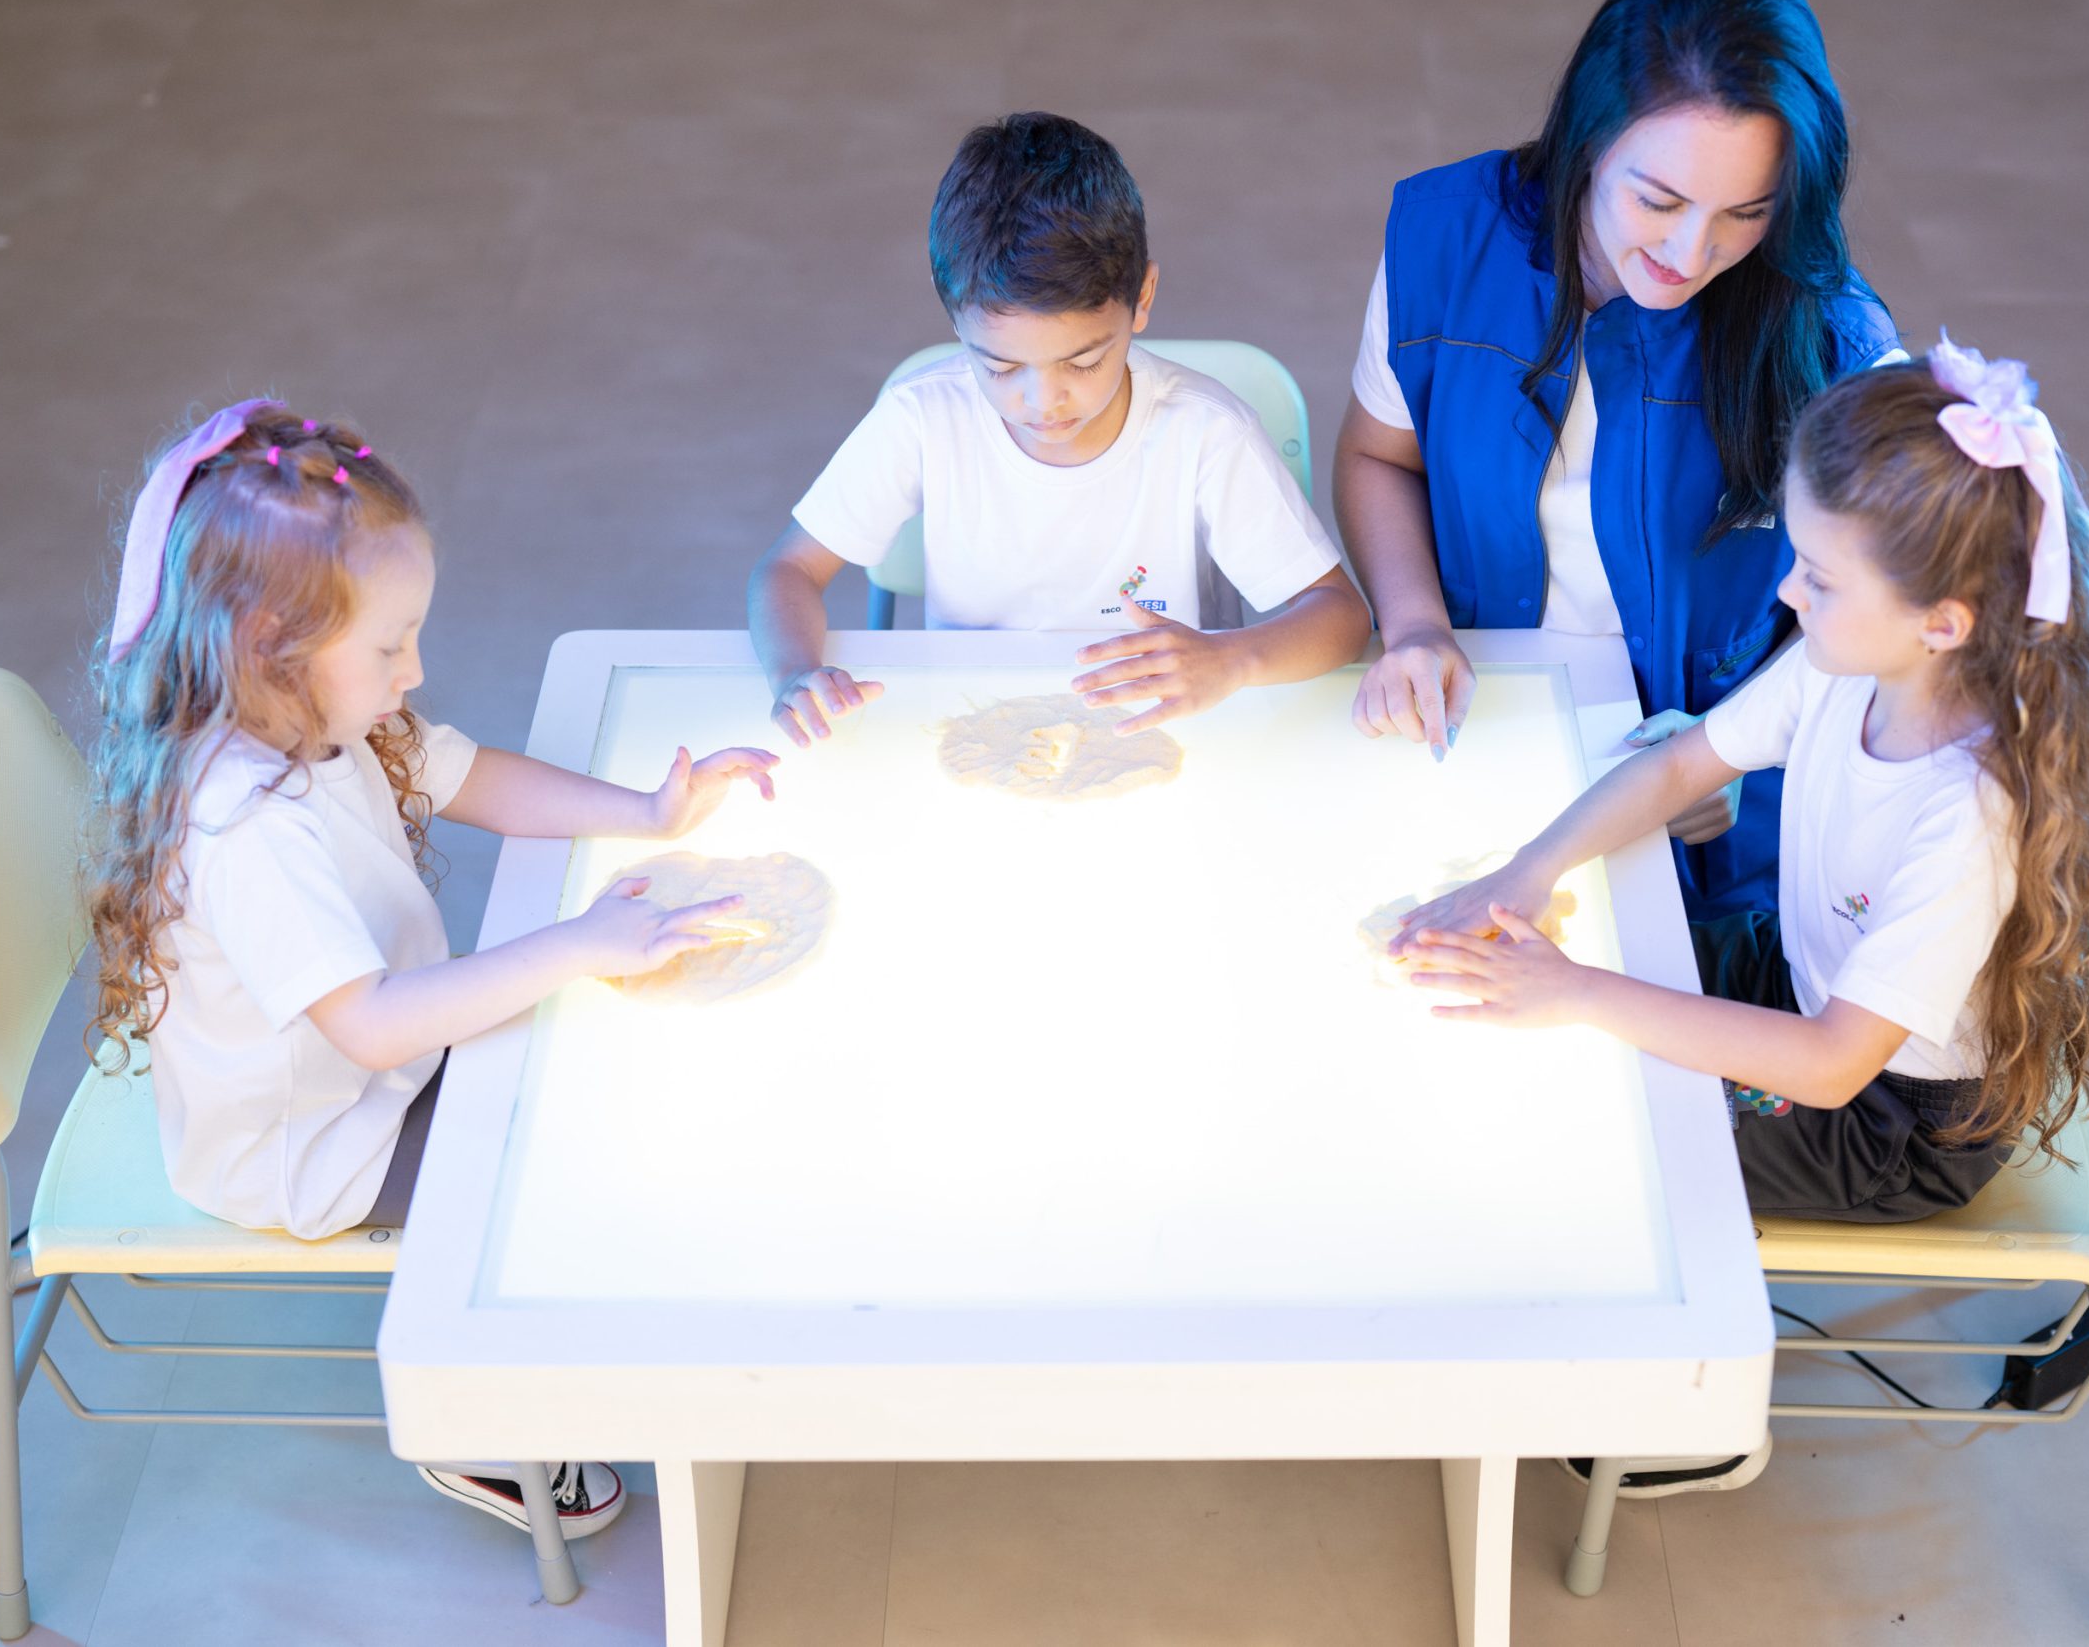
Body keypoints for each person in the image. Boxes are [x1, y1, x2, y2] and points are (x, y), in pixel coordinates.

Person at [1397, 337, 2089, 1491]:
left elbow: (1835, 1067)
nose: (1789, 592)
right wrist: (1525, 873)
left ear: (1941, 620)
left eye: (1819, 579)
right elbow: (1684, 765)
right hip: (1801, 989)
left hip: (1893, 1126)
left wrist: (1574, 991)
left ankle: (1686, 1421)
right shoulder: (1853, 665)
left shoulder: (1969, 817)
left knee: (1595, 1145)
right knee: (1574, 1008)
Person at [84, 401, 776, 1537]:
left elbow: (470, 778)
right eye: (391, 645)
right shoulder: (240, 822)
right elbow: (368, 1028)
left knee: (609, 1066)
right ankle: (475, 1421)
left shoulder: (308, 714)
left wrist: (645, 812)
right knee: (578, 1165)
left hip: (394, 1062)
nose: (416, 670)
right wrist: (580, 944)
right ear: (274, 643)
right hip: (319, 1143)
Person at [1338, 0, 1900, 920]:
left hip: (1721, 820)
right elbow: (1376, 455)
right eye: (1659, 200)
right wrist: (1417, 622)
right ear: (1589, 139)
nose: (1693, 252)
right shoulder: (1445, 240)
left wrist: (1738, 747)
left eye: (1745, 213)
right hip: (1484, 730)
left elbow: (1889, 626)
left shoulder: (1834, 339)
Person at [748, 111, 1369, 745]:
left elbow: (1340, 618)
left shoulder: (1205, 432)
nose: (1043, 401)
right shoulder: (923, 417)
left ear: (1143, 297)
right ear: (955, 325)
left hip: (1171, 731)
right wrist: (795, 673)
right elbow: (788, 572)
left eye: (1084, 360)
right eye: (1000, 366)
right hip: (973, 726)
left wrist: (1236, 660)